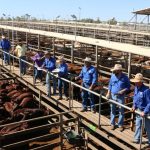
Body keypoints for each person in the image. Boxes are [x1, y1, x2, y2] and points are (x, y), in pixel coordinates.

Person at [106, 64, 130, 131]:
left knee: (121, 111)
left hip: (121, 96)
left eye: (115, 70)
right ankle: (112, 124)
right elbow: (110, 85)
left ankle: (120, 125)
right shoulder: (113, 76)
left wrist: (123, 90)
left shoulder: (125, 77)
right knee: (112, 110)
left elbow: (128, 87)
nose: (113, 71)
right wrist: (108, 93)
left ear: (119, 71)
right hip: (113, 95)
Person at [130, 73, 150, 144]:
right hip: (138, 110)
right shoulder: (136, 88)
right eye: (135, 82)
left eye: (137, 82)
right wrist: (134, 106)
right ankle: (136, 139)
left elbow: (149, 103)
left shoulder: (146, 90)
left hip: (146, 112)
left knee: (148, 127)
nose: (135, 83)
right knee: (138, 125)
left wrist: (145, 111)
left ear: (141, 82)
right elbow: (135, 98)